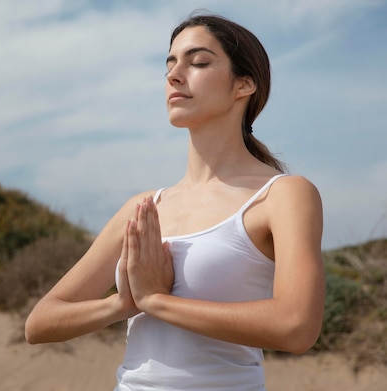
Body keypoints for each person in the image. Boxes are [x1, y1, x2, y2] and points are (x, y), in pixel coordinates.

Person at [25, 12, 324, 390]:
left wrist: (157, 301)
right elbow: (40, 323)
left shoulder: (282, 195)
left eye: (198, 62)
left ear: (243, 85)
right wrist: (122, 304)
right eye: (170, 63)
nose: (174, 75)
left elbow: (297, 327)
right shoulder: (146, 207)